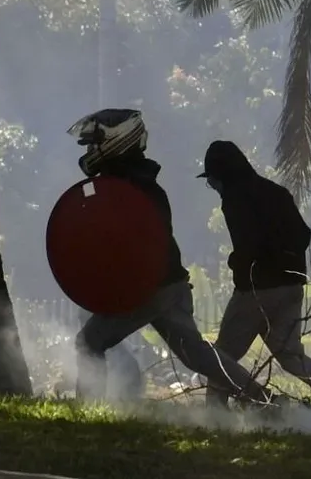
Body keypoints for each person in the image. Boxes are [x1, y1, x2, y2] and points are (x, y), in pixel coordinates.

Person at [68, 110, 270, 404]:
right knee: (197, 355)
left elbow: (139, 243)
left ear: (117, 141)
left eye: (94, 144)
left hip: (148, 287)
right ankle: (265, 399)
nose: (90, 151)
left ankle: (87, 409)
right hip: (169, 285)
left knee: (89, 341)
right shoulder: (131, 183)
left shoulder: (132, 188)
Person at [199, 140, 311, 416]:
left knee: (221, 357)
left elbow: (247, 245)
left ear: (222, 174)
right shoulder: (276, 192)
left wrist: (239, 263)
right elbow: (303, 235)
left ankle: (216, 416)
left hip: (257, 289)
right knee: (289, 353)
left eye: (212, 180)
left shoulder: (235, 198)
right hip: (292, 286)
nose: (212, 186)